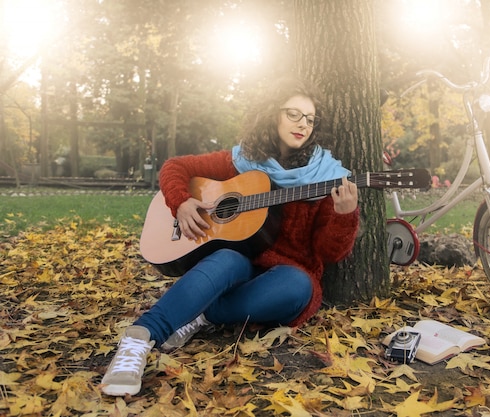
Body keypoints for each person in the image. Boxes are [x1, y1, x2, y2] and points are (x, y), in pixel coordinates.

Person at [100, 77, 360, 396]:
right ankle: (138, 339)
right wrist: (181, 201)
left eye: (310, 118)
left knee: (299, 286)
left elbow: (331, 252)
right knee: (226, 259)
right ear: (272, 114)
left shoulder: (327, 177)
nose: (302, 124)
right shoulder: (241, 161)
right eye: (293, 113)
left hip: (285, 275)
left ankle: (197, 312)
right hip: (235, 264)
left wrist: (345, 215)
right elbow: (174, 167)